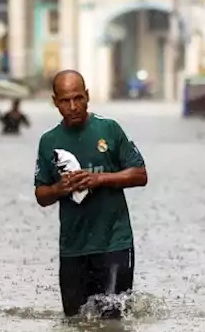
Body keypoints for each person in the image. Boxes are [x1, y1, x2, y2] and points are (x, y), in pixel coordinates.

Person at [34, 70, 148, 319]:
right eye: (65, 101)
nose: (73, 107)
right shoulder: (48, 142)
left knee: (114, 322)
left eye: (78, 98)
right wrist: (58, 189)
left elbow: (140, 175)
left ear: (87, 96)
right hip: (73, 248)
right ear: (55, 102)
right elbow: (41, 195)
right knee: (74, 324)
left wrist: (100, 178)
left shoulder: (109, 129)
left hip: (114, 244)